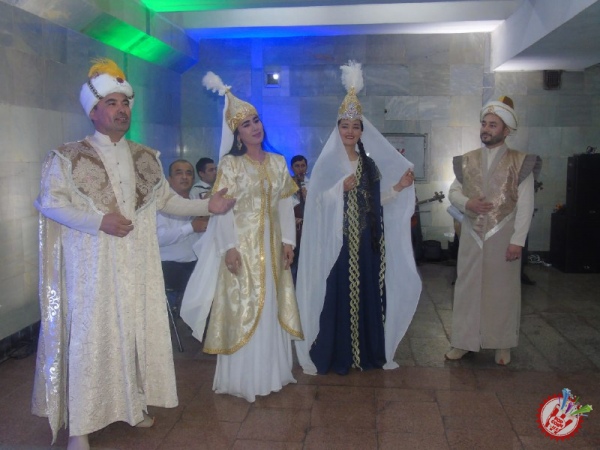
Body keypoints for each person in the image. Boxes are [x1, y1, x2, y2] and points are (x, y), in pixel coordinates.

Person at [31, 58, 235, 450]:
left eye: (125, 102)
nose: (121, 109)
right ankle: (80, 428)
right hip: (92, 269)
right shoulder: (68, 157)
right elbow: (50, 204)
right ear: (93, 111)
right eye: (111, 103)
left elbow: (167, 202)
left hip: (138, 267)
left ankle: (133, 406)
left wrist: (208, 206)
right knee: (90, 341)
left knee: (135, 335)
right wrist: (98, 222)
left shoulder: (145, 157)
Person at [180, 71, 303, 402]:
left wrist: (288, 242)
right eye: (246, 124)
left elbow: (285, 204)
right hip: (242, 249)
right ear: (237, 134)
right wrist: (229, 248)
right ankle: (245, 379)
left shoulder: (278, 162)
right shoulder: (231, 166)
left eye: (256, 120)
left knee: (272, 305)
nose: (254, 127)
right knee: (244, 308)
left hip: (272, 248)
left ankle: (274, 374)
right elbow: (222, 211)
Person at [295, 61, 422, 375]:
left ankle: (365, 353)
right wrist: (339, 189)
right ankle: (336, 353)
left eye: (355, 126)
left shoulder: (369, 165)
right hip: (336, 244)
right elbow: (315, 203)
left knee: (367, 294)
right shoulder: (327, 165)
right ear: (337, 129)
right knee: (336, 295)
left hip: (365, 243)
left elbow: (374, 202)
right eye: (345, 126)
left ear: (362, 131)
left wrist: (398, 187)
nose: (350, 131)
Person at [445, 96, 541, 366]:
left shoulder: (520, 162)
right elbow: (453, 192)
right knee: (466, 289)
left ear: (506, 130)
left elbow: (525, 205)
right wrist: (468, 203)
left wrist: (517, 241)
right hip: (472, 235)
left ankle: (502, 343)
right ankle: (462, 342)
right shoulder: (467, 160)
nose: (486, 129)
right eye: (484, 124)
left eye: (493, 125)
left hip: (504, 236)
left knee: (502, 291)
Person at [157, 160, 208, 308]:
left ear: (193, 179)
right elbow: (159, 238)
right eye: (179, 173)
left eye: (189, 173)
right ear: (169, 179)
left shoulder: (196, 203)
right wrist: (191, 227)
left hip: (194, 264)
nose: (184, 177)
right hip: (170, 267)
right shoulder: (162, 204)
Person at [290, 154, 309, 280]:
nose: (300, 169)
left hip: (308, 231)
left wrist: (307, 197)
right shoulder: (287, 185)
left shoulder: (312, 184)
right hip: (293, 232)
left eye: (303, 166)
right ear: (292, 168)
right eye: (297, 166)